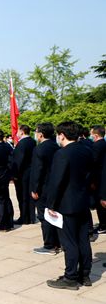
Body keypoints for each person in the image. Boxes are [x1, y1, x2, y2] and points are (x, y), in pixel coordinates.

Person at [46, 121, 93, 290]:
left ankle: (70, 277)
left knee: (69, 241)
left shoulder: (62, 154)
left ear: (62, 135)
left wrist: (51, 203)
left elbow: (56, 181)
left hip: (66, 203)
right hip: (82, 201)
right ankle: (85, 274)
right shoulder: (86, 150)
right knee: (83, 239)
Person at [30, 123, 61, 255]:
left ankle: (49, 245)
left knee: (45, 216)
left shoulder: (40, 149)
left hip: (43, 188)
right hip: (54, 186)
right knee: (56, 215)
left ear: (41, 134)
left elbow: (38, 171)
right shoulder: (56, 146)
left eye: (36, 132)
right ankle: (58, 242)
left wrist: (35, 189)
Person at [12, 124, 37, 224]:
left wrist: (14, 174)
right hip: (30, 172)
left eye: (18, 131)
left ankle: (24, 217)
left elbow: (18, 161)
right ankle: (31, 216)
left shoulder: (22, 143)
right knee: (29, 196)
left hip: (22, 174)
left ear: (22, 132)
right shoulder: (32, 141)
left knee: (22, 196)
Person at [90, 125, 106, 234]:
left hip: (98, 178)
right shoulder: (104, 144)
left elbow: (93, 163)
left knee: (100, 204)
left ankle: (103, 225)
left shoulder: (96, 146)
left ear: (95, 135)